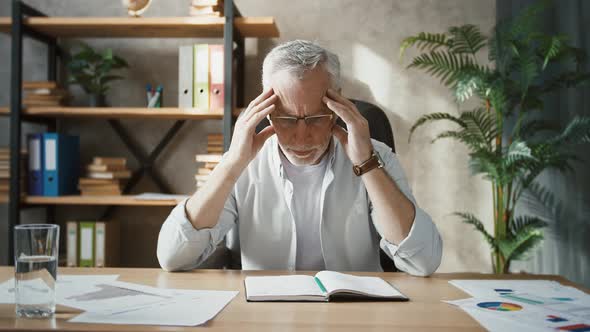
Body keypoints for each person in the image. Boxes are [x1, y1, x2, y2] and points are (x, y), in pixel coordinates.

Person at [157, 40, 442, 276]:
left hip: (355, 314)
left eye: (317, 118)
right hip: (264, 315)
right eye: (286, 119)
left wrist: (366, 164)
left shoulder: (375, 156)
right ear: (265, 108)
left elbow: (424, 261)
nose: (301, 137)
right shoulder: (243, 162)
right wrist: (232, 165)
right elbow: (172, 257)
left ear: (339, 103)